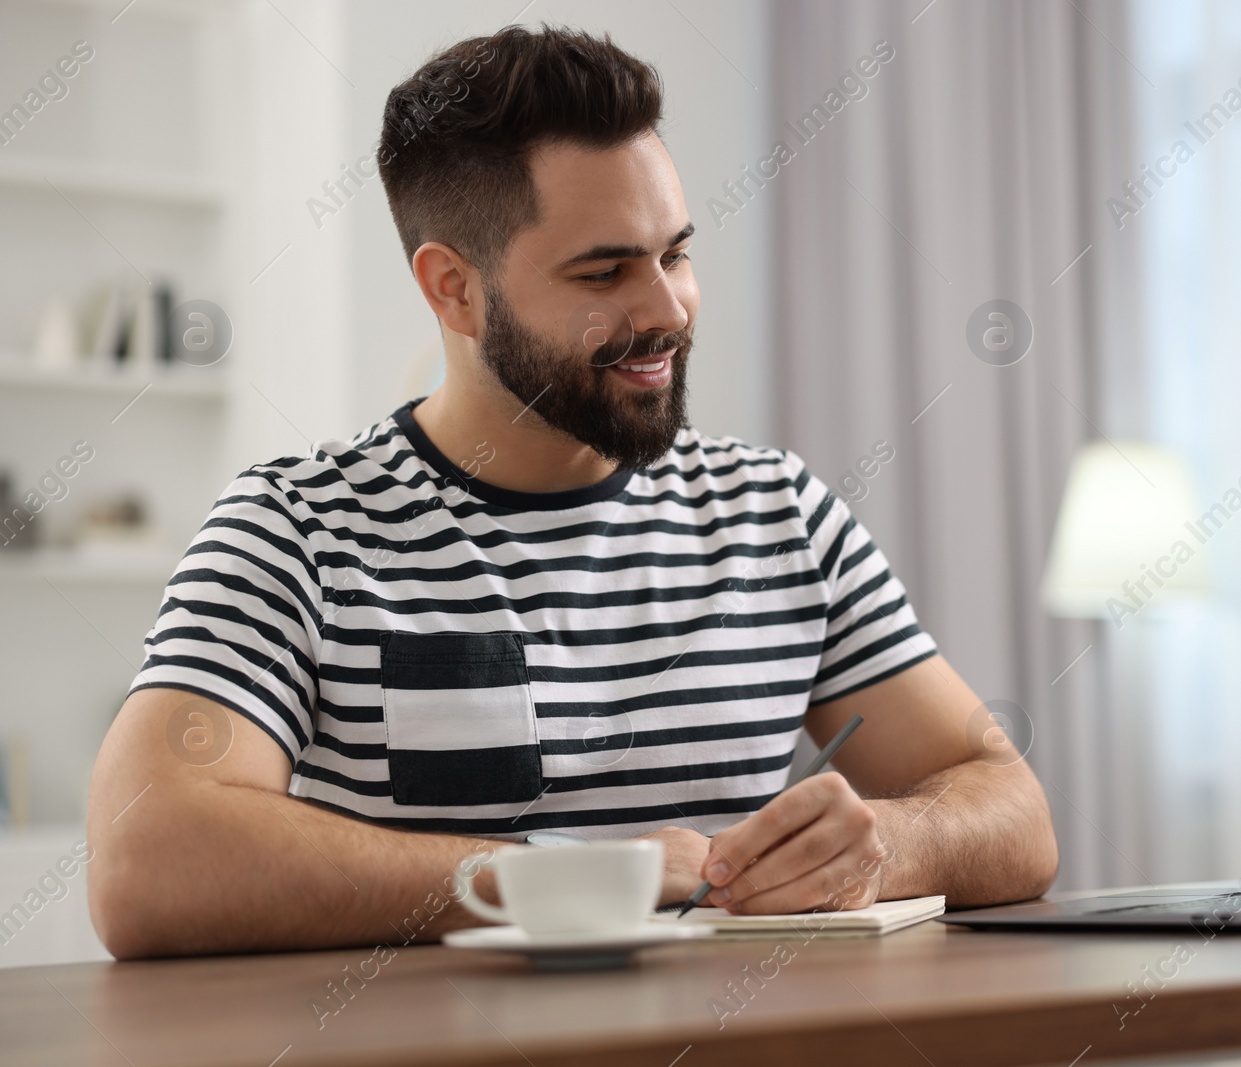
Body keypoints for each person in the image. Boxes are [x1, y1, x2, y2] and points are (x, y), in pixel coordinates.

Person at [86, 24, 1056, 959]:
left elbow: (1011, 810)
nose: (667, 308)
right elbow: (145, 859)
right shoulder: (296, 528)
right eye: (606, 271)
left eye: (674, 252)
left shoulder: (778, 513)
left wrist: (890, 840)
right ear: (453, 289)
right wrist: (576, 877)